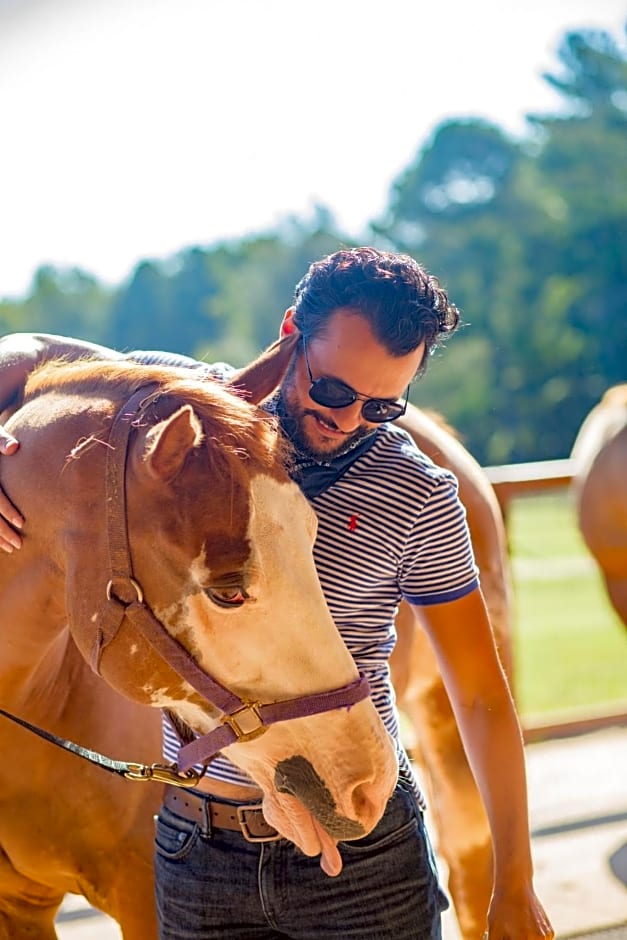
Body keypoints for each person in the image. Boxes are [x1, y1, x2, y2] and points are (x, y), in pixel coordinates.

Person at [0, 247, 553, 940]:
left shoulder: (418, 492)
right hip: (195, 845)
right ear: (290, 333)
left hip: (361, 856)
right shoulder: (199, 415)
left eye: (384, 405)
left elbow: (477, 695)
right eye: (332, 392)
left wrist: (516, 880)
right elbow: (33, 354)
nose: (349, 421)